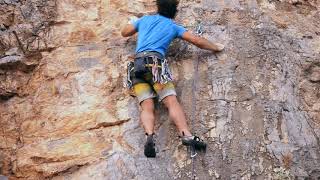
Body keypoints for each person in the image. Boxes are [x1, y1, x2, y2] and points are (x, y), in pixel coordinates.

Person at [121, 0, 224, 158]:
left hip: (137, 67)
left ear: (158, 7)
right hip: (155, 66)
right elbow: (197, 41)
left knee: (147, 106)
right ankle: (186, 135)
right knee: (171, 101)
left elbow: (125, 32)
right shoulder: (173, 27)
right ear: (174, 11)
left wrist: (133, 21)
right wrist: (216, 47)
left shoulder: (145, 20)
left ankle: (149, 135)